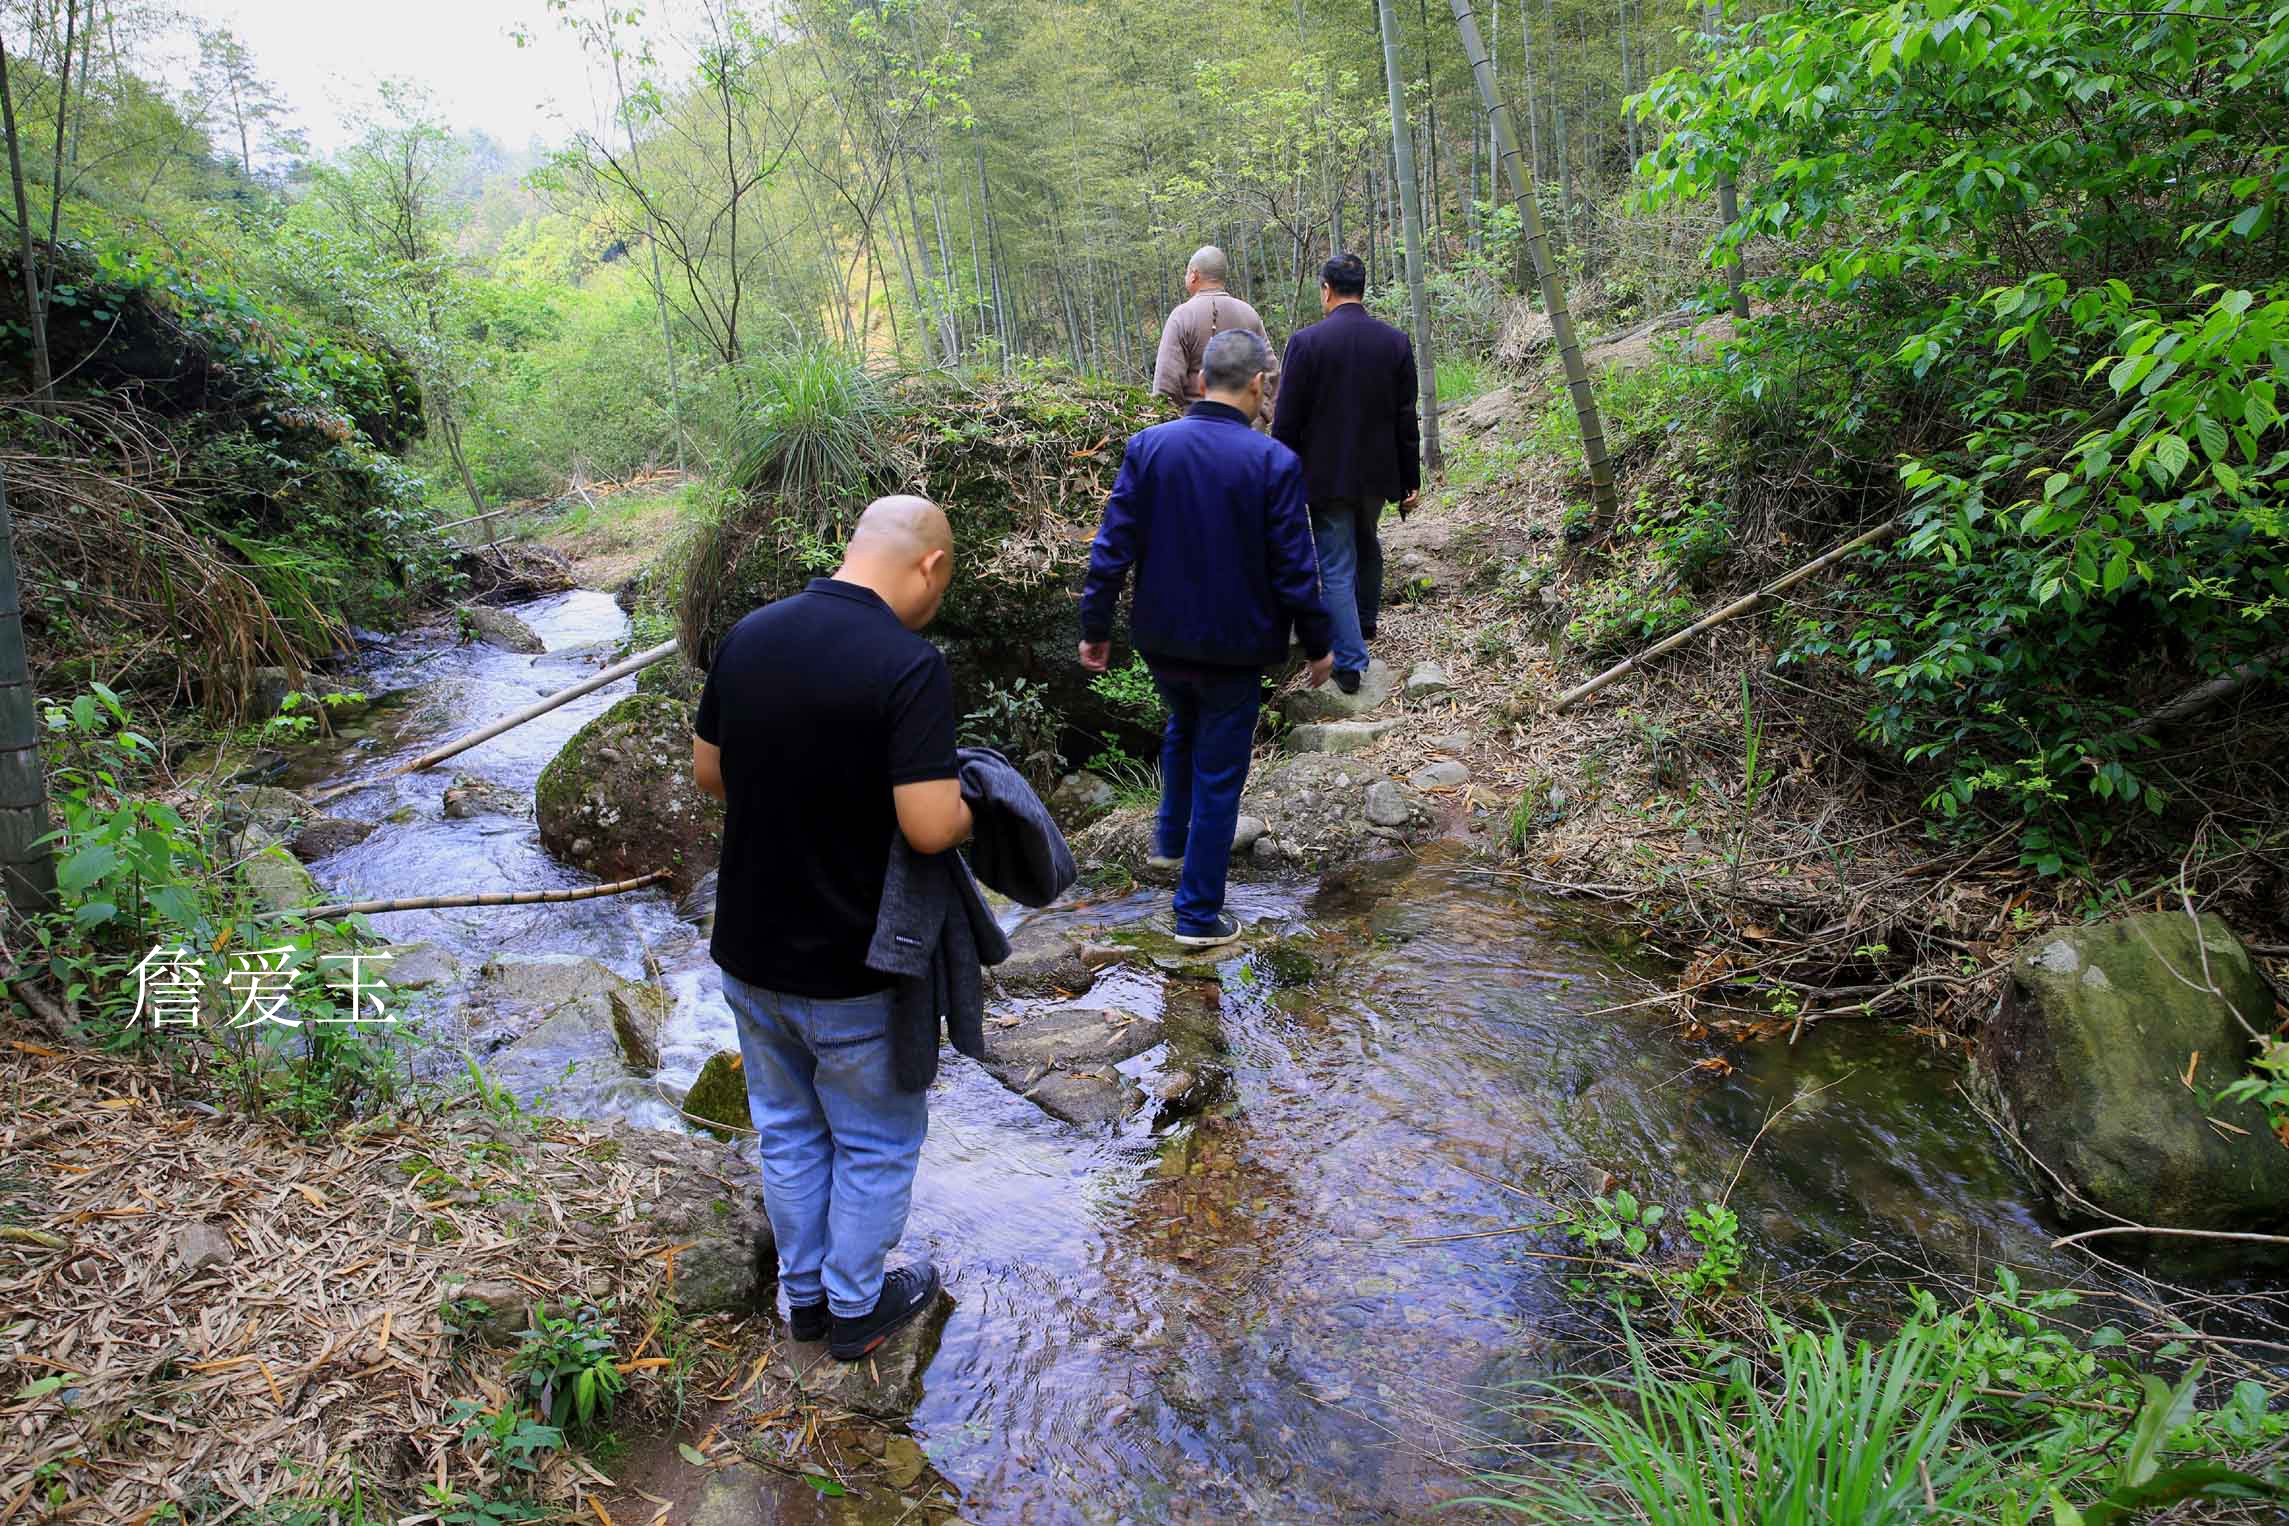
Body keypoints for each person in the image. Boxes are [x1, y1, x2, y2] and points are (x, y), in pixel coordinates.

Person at [690, 496, 968, 1362]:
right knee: (876, 1139)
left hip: (748, 949)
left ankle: (802, 1298)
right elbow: (928, 827)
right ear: (929, 566)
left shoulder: (751, 637)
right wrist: (968, 808)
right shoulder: (907, 665)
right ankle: (856, 1308)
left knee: (787, 1125)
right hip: (853, 963)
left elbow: (710, 775)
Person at [1080, 330, 1334, 948]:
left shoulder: (1150, 447)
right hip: (1236, 647)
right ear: (1257, 386)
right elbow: (1295, 567)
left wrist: (1095, 625)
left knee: (1181, 725)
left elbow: (1113, 546)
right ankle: (1196, 917)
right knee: (1220, 772)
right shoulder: (1273, 461)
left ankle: (1170, 839)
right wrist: (1321, 642)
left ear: (1199, 383)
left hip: (1163, 641)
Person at [1272, 252, 1421, 694]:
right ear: (1362, 288)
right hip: (1378, 473)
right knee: (1367, 541)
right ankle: (1365, 622)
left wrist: (1281, 475)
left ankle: (1351, 661)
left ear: (1326, 289)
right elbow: (1405, 417)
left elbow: (1287, 421)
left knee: (1336, 561)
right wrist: (1410, 478)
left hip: (1325, 475)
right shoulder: (1394, 342)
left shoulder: (1306, 343)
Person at [1151, 245, 1278, 420]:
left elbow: (1166, 386)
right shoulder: (1248, 313)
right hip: (1245, 428)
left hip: (1195, 430)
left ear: (1194, 274)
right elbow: (1271, 373)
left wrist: (1175, 427)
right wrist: (1261, 416)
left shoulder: (1182, 316)